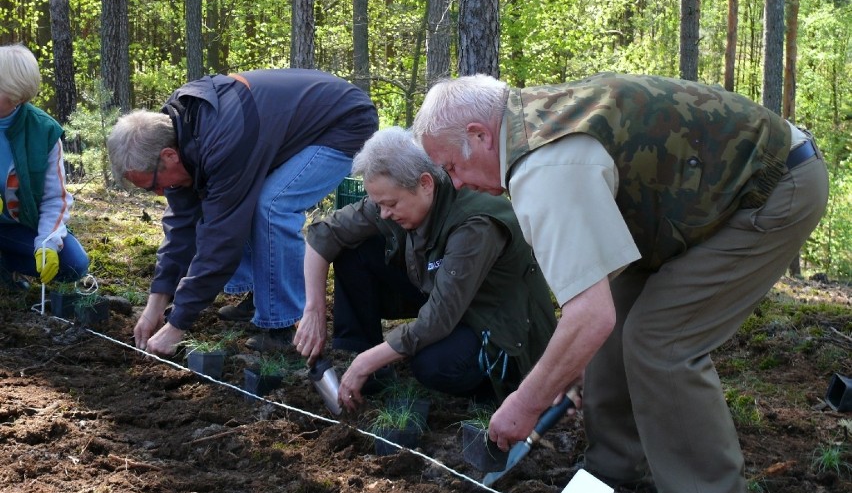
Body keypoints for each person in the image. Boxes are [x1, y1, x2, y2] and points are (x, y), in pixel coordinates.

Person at [411, 72, 829, 493]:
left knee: (661, 340)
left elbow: (588, 317)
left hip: (772, 187)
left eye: (452, 167)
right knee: (618, 322)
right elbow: (598, 309)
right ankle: (614, 467)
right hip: (698, 205)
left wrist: (526, 403)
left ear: (481, 135)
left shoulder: (544, 164)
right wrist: (575, 359)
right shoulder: (535, 121)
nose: (456, 184)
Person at [108, 69, 378, 356]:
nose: (159, 194)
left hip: (344, 122)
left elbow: (221, 241)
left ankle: (282, 324)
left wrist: (177, 326)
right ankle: (261, 296)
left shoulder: (221, 140)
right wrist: (155, 305)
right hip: (287, 131)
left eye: (152, 185)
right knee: (239, 203)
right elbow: (182, 227)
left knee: (272, 206)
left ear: (169, 156)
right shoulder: (177, 134)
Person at [293, 126, 557, 411]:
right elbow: (324, 234)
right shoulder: (401, 199)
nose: (383, 213)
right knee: (354, 252)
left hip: (499, 322)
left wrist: (366, 361)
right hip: (443, 292)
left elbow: (440, 317)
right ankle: (369, 369)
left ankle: (495, 386)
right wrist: (313, 309)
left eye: (391, 204)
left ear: (426, 184)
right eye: (379, 204)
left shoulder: (475, 224)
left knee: (433, 364)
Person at [0, 44, 89, 289]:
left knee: (74, 264)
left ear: (16, 93)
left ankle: (6, 266)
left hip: (16, 229)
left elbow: (55, 198)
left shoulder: (43, 131)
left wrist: (47, 243)